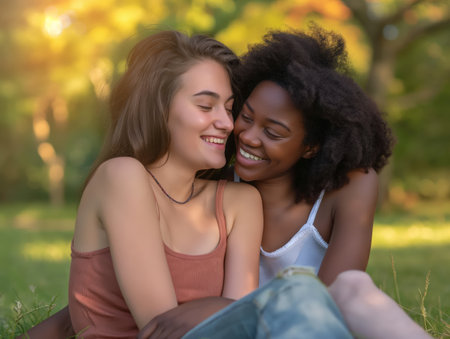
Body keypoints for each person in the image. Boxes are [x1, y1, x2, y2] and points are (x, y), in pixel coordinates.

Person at [20, 30, 264, 338]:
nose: (227, 123)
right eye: (205, 106)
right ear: (159, 108)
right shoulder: (121, 177)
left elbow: (241, 326)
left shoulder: (240, 202)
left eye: (229, 109)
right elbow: (162, 328)